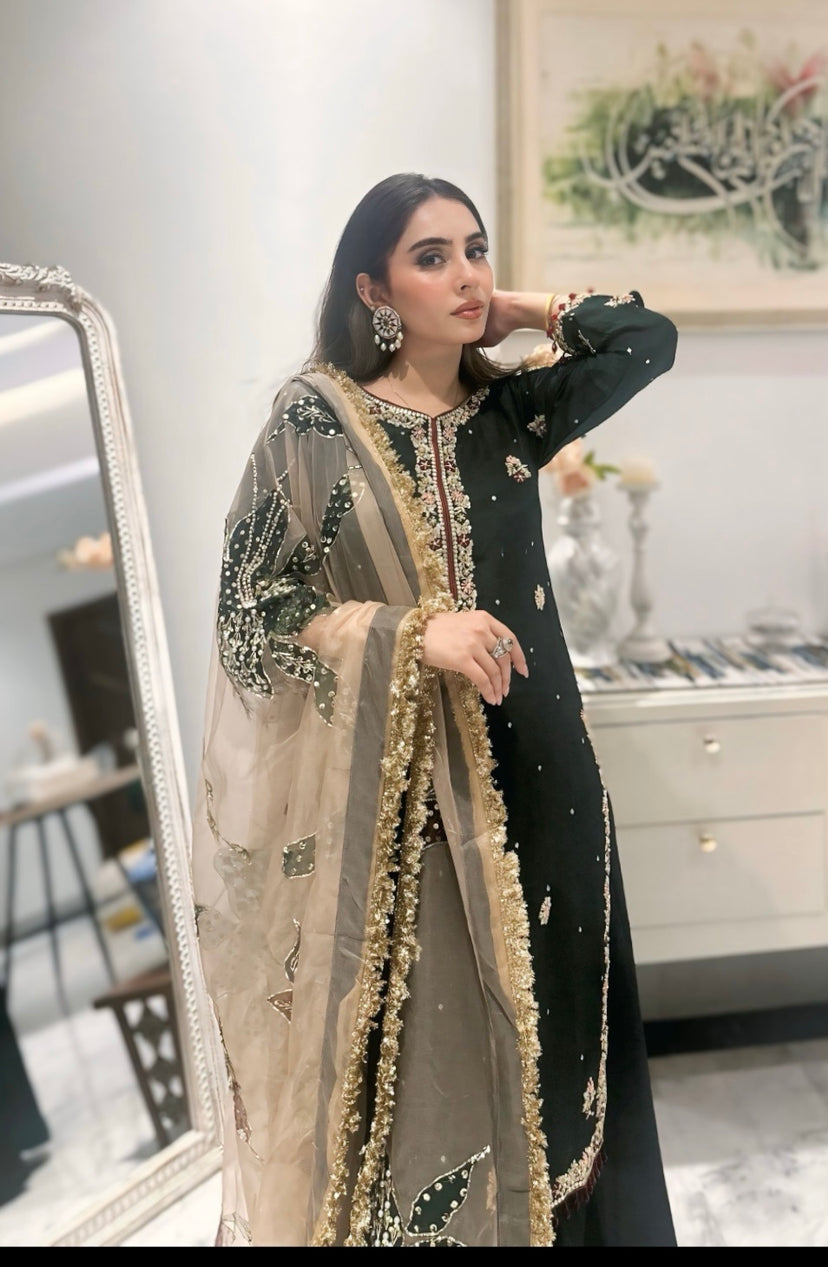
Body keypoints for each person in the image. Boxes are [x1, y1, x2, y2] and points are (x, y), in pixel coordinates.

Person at [192, 172, 679, 1248]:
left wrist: (521, 310)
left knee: (566, 1070)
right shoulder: (316, 423)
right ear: (372, 288)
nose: (465, 275)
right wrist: (411, 635)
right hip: (413, 820)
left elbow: (647, 340)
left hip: (548, 787)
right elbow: (250, 613)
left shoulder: (510, 410)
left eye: (476, 249)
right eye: (431, 257)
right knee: (440, 1089)